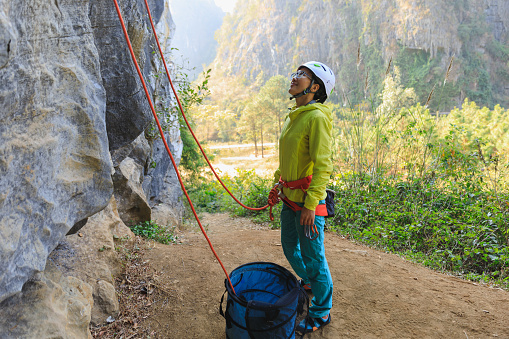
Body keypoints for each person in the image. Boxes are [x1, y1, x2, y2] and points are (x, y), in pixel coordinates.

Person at [271, 61, 335, 335]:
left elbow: (323, 165)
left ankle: (322, 311)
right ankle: (309, 284)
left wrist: (311, 205)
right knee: (288, 245)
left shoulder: (317, 118)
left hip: (309, 202)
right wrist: (278, 182)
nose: (294, 78)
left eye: (302, 75)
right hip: (289, 198)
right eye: (296, 73)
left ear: (315, 87)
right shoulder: (294, 116)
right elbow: (288, 159)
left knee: (314, 257)